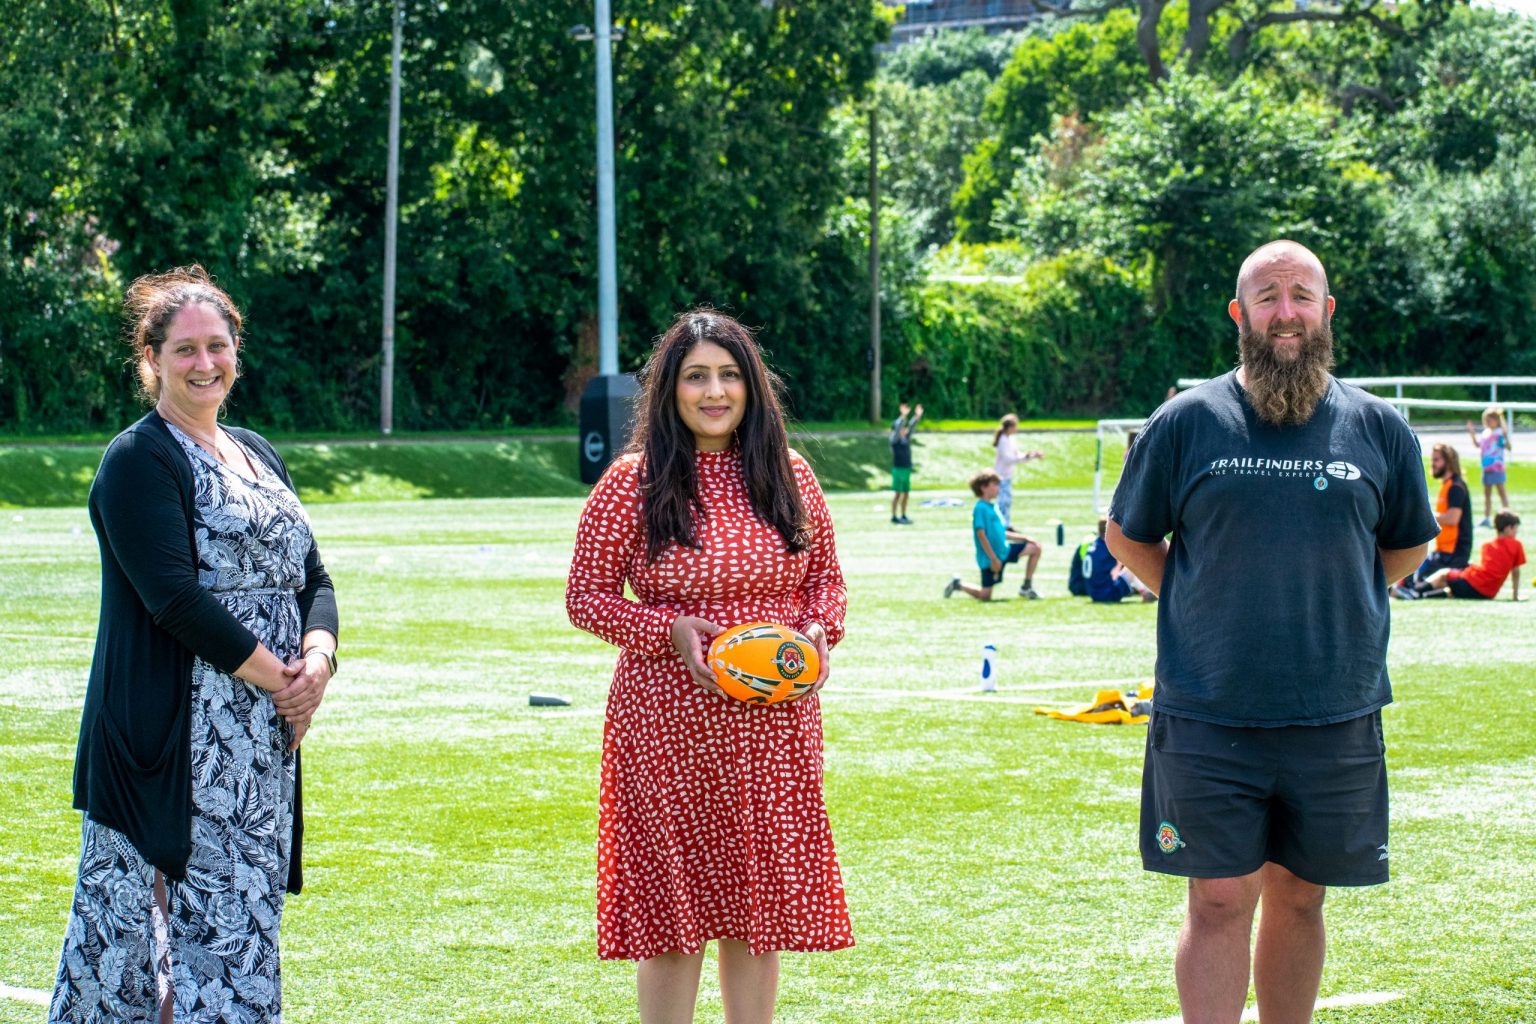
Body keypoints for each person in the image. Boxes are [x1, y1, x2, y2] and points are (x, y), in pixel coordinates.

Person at [1107, 240, 1438, 1024]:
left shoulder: (1379, 427)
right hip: (1208, 710)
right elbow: (1128, 536)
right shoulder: (1186, 421)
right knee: (1219, 899)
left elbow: (1407, 545)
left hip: (1335, 711)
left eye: (1300, 295)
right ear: (1239, 314)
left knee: (1301, 896)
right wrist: (1202, 599)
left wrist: (1332, 601)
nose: (1284, 312)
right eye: (1267, 297)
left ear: (1327, 310)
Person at [50, 267, 338, 1024]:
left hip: (259, 743)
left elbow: (314, 576)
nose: (204, 363)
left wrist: (319, 660)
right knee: (135, 952)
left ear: (237, 350)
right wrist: (282, 680)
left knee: (238, 935)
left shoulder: (257, 453)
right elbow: (175, 599)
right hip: (167, 744)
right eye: (184, 350)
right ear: (151, 359)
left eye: (217, 345)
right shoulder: (139, 460)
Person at [565, 310, 852, 1024]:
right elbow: (586, 598)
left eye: (728, 375)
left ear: (752, 387)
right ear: (670, 391)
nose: (714, 391)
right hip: (667, 722)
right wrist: (669, 629)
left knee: (758, 908)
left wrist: (819, 631)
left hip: (775, 725)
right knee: (673, 907)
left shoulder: (788, 473)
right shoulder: (631, 481)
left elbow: (827, 582)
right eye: (696, 376)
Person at [942, 470, 1042, 601]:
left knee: (1035, 547)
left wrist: (1024, 538)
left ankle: (1026, 587)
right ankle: (958, 585)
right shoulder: (980, 508)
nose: (998, 488)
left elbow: (1000, 533)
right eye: (994, 485)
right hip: (991, 558)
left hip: (1004, 551)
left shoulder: (993, 507)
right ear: (983, 488)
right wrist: (993, 559)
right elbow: (981, 535)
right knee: (985, 596)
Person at [1391, 442, 1472, 597]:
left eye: (1437, 460)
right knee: (1410, 569)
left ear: (1448, 462)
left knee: (1412, 581)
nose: (1432, 464)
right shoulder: (1447, 485)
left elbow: (1452, 518)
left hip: (1453, 554)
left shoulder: (1456, 486)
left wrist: (1422, 515)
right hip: (1444, 552)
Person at [1400, 509, 1523, 601]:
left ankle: (1413, 591)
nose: (1517, 532)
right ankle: (1422, 595)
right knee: (1451, 590)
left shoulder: (1488, 545)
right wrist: (1515, 596)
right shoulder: (1516, 545)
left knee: (1444, 574)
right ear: (1508, 528)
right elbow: (1515, 571)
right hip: (1489, 593)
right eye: (1516, 528)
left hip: (1476, 585)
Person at [1083, 517, 1155, 603]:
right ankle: (1147, 594)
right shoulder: (1106, 548)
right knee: (1132, 567)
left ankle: (1146, 593)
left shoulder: (1094, 545)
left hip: (1093, 593)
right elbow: (1117, 571)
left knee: (1126, 568)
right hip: (1106, 594)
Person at [991, 413, 1043, 526]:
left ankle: (1006, 524)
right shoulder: (1003, 440)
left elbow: (1016, 455)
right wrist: (1026, 457)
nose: (1016, 429)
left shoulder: (1011, 439)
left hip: (1008, 475)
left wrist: (1031, 455)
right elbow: (1008, 459)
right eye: (1015, 426)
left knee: (1007, 501)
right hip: (1001, 476)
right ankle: (1002, 525)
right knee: (1003, 502)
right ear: (1009, 427)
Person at [1467, 408, 1512, 526]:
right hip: (1486, 468)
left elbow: (1508, 447)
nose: (1487, 422)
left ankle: (1509, 515)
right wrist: (1472, 433)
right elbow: (1478, 445)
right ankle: (1486, 517)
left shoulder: (1500, 432)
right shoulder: (1485, 433)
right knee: (1487, 494)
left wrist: (1505, 437)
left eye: (1490, 419)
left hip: (1497, 467)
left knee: (1501, 492)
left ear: (1496, 420)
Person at [890, 401, 923, 524]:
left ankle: (903, 515)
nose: (904, 429)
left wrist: (917, 416)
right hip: (898, 469)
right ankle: (894, 516)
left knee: (906, 494)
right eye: (902, 428)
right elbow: (898, 425)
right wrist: (903, 416)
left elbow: (912, 426)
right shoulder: (894, 439)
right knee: (898, 494)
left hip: (906, 469)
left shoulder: (905, 438)